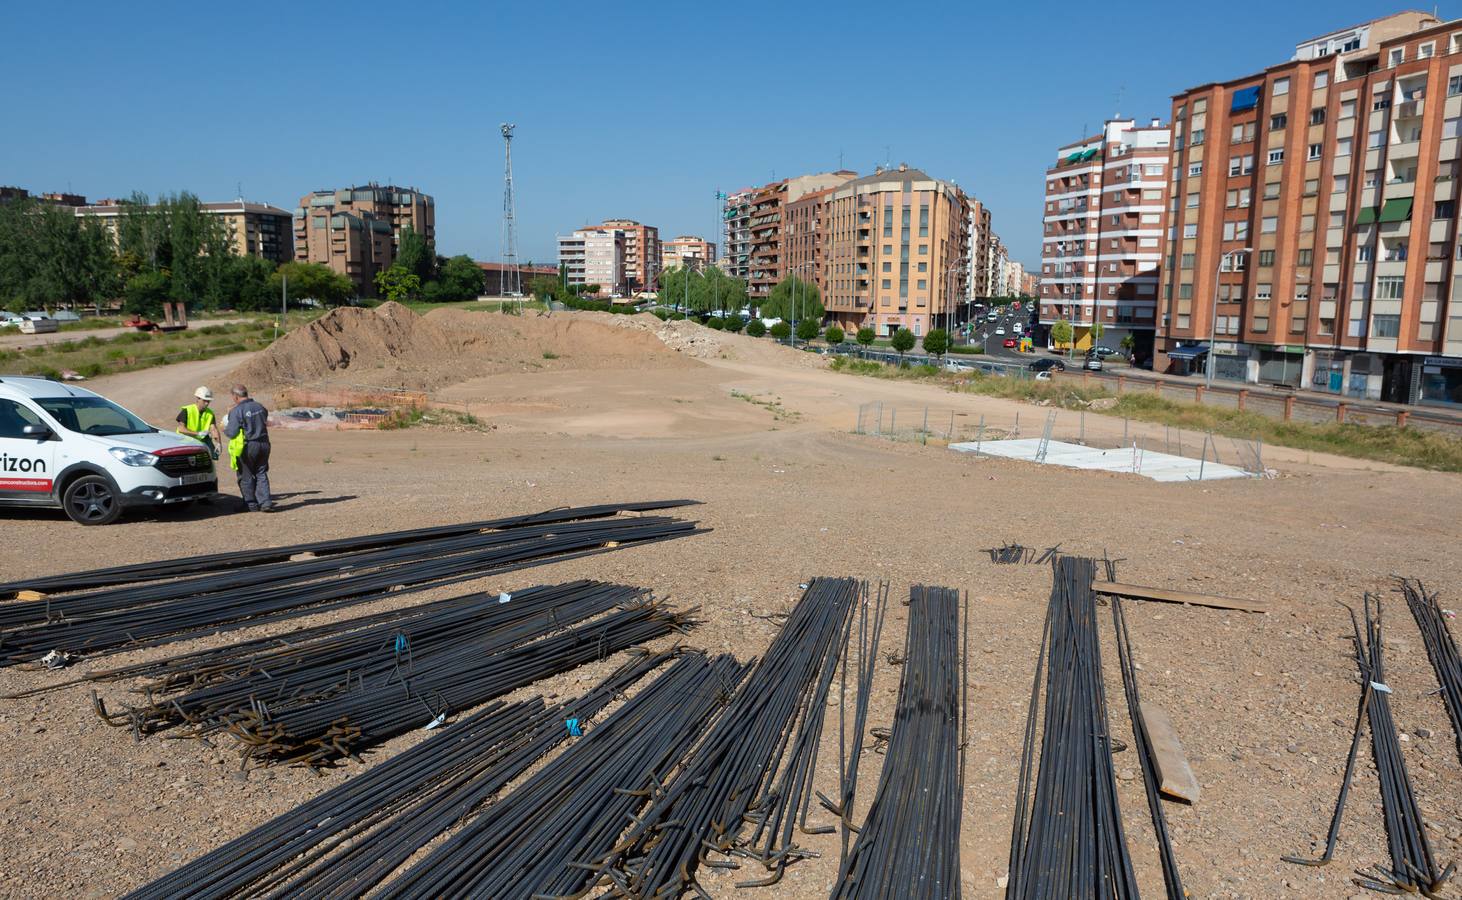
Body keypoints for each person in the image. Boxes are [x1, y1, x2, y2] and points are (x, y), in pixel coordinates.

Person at [222, 384, 274, 512]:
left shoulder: (237, 411)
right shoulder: (260, 406)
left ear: (235, 396)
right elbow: (265, 418)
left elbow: (232, 432)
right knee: (261, 472)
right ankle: (265, 503)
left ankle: (250, 504)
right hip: (264, 443)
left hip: (249, 445)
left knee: (245, 474)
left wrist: (225, 429)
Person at [176, 386, 221, 459]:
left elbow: (214, 429)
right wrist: (198, 433)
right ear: (198, 399)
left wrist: (218, 444)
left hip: (200, 443)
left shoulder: (210, 413)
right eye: (204, 400)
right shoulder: (187, 410)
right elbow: (181, 429)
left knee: (212, 456)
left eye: (208, 401)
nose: (207, 403)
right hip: (185, 443)